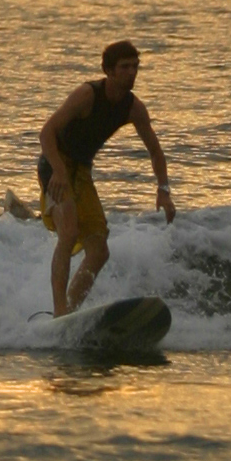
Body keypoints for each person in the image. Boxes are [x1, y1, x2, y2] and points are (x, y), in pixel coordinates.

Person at [38, 39, 175, 314]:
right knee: (69, 233)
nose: (132, 72)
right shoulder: (87, 95)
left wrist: (164, 190)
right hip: (56, 165)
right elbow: (47, 132)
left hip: (82, 171)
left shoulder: (133, 108)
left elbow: (156, 152)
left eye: (136, 66)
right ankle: (59, 309)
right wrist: (60, 172)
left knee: (100, 251)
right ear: (108, 71)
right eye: (125, 67)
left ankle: (69, 313)